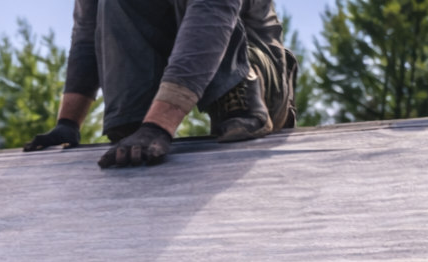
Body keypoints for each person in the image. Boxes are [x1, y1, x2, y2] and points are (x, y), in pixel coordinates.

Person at [25, 0, 297, 167]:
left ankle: (237, 90)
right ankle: (133, 118)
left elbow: (213, 12)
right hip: (166, 90)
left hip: (259, 73)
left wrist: (159, 125)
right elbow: (87, 33)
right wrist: (68, 124)